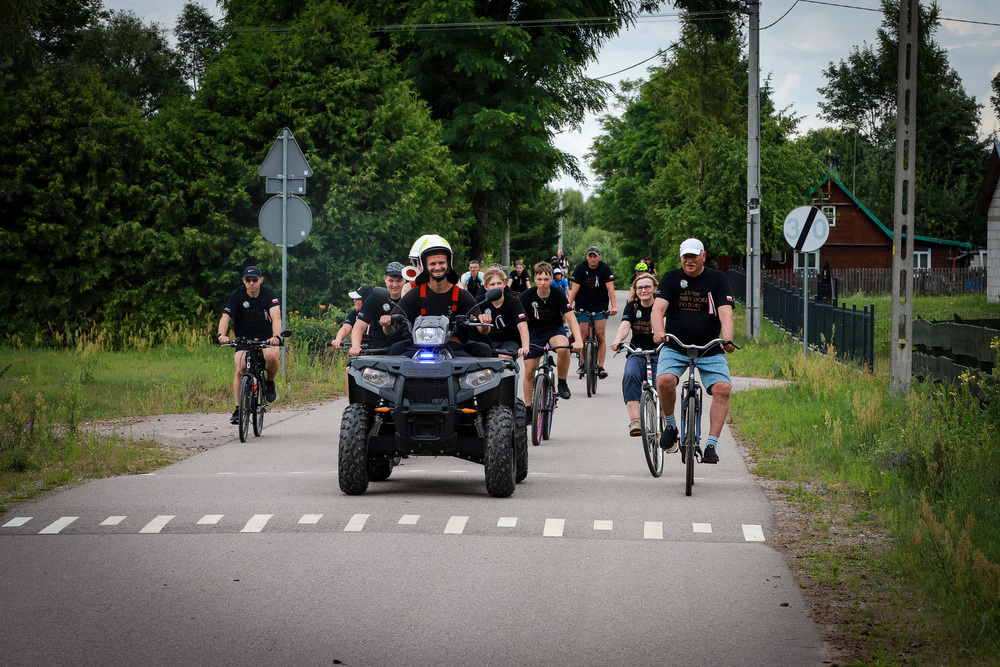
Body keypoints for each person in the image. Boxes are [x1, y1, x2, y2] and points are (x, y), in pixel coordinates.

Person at [651, 238, 736, 464]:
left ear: (703, 256)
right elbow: (658, 309)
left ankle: (711, 445)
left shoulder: (717, 279)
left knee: (723, 389)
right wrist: (659, 331)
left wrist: (727, 338)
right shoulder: (671, 278)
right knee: (664, 380)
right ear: (681, 258)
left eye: (694, 256)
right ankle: (670, 425)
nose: (689, 260)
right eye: (685, 256)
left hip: (709, 348)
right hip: (676, 346)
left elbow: (725, 312)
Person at [371, 235, 491, 358]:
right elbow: (390, 330)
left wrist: (484, 321)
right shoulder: (414, 294)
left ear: (448, 264)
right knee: (396, 349)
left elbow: (482, 329)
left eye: (441, 263)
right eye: (433, 263)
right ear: (425, 266)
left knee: (483, 349)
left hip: (453, 346)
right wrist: (386, 324)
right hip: (418, 347)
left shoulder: (462, 295)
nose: (437, 267)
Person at [216, 266, 283, 424]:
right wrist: (221, 335)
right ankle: (239, 409)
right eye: (248, 280)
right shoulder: (237, 295)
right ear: (244, 281)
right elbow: (226, 317)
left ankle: (270, 383)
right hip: (244, 339)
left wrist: (276, 337)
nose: (251, 283)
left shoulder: (269, 294)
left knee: (271, 356)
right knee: (241, 368)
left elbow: (276, 317)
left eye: (254, 280)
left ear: (261, 280)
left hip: (266, 338)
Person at [520, 262, 583, 417]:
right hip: (534, 332)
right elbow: (520, 322)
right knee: (529, 371)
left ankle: (562, 382)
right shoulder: (527, 296)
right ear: (534, 278)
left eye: (546, 279)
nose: (542, 282)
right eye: (539, 279)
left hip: (554, 329)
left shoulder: (558, 294)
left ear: (551, 280)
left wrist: (578, 339)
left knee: (563, 348)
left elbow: (571, 318)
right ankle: (529, 408)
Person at [610, 272, 659, 436]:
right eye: (639, 287)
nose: (643, 290)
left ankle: (666, 421)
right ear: (635, 290)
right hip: (637, 352)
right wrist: (617, 340)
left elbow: (665, 324)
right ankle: (635, 421)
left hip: (660, 352)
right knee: (630, 375)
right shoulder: (633, 306)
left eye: (647, 287)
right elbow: (625, 325)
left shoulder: (661, 305)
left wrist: (664, 336)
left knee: (663, 382)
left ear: (654, 288)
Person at [568, 246, 617, 379]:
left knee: (600, 336)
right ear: (587, 257)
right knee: (582, 337)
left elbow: (610, 288)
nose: (593, 259)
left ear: (599, 257)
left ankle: (600, 367)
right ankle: (584, 364)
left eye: (595, 256)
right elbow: (574, 289)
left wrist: (614, 306)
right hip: (582, 306)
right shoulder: (580, 268)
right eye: (590, 256)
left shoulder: (604, 268)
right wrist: (568, 306)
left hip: (600, 306)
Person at [350, 262, 406, 355]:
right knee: (352, 367)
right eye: (391, 280)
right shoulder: (376, 297)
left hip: (406, 345)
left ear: (405, 280)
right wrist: (356, 346)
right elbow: (359, 326)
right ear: (385, 279)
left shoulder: (410, 295)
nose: (395, 285)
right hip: (380, 346)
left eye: (399, 280)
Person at [479, 266, 529, 358]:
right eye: (492, 284)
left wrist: (525, 346)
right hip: (487, 342)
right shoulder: (480, 302)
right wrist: (484, 325)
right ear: (486, 286)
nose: (496, 287)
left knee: (505, 356)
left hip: (510, 341)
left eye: (499, 283)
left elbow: (522, 325)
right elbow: (478, 329)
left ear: (504, 283)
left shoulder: (514, 301)